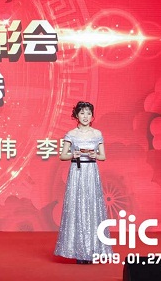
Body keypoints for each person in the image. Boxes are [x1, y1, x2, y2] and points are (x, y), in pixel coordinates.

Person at [54, 101, 112, 264]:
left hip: (91, 172)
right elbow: (62, 155)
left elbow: (103, 156)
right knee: (76, 208)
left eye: (88, 113)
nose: (85, 116)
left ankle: (93, 249)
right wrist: (74, 155)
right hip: (77, 172)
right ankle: (78, 251)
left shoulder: (97, 133)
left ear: (92, 116)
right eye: (82, 113)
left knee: (92, 208)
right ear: (76, 115)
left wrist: (95, 155)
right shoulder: (71, 134)